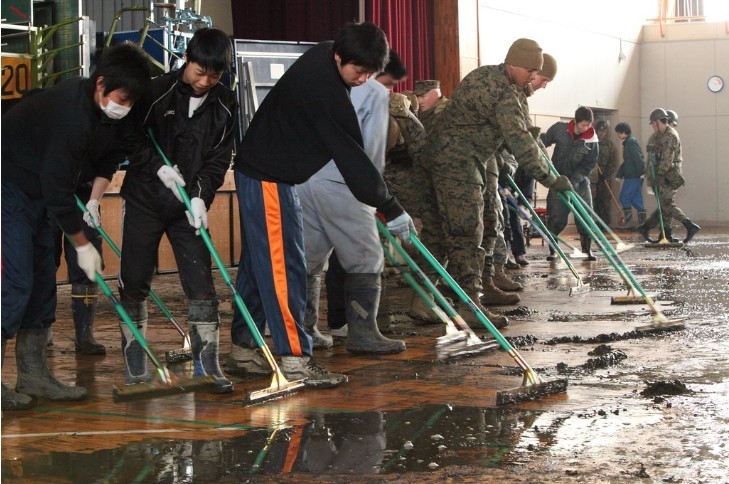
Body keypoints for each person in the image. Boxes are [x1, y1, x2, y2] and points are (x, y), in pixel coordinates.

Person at [229, 22, 415, 389]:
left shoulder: (327, 53)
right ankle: (296, 360)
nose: (363, 80)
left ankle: (243, 349)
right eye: (358, 72)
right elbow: (351, 156)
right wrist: (389, 206)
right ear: (339, 57)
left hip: (267, 173)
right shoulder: (325, 89)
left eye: (370, 73)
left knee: (257, 266)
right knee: (287, 267)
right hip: (268, 177)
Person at [1, 43, 151, 411]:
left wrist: (94, 203)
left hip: (37, 193)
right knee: (14, 282)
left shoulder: (109, 114)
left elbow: (111, 156)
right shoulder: (72, 115)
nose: (125, 106)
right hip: (8, 186)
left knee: (40, 283)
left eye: (133, 100)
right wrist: (83, 244)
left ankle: (34, 375)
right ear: (100, 84)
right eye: (122, 97)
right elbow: (58, 189)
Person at [416, 38, 573, 328]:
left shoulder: (486, 75)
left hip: (440, 158)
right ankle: (470, 306)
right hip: (458, 165)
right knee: (467, 235)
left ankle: (422, 299)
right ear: (513, 64)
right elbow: (521, 142)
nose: (532, 77)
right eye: (530, 71)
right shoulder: (503, 93)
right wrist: (550, 179)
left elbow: (523, 134)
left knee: (438, 232)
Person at [118, 28, 238, 393]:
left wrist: (201, 196)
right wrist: (156, 165)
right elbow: (129, 136)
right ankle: (135, 356)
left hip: (188, 207)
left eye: (214, 75)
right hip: (145, 199)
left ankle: (208, 362)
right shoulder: (155, 92)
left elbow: (218, 158)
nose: (205, 81)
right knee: (135, 278)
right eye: (200, 71)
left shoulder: (226, 104)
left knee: (201, 284)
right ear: (187, 58)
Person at [297, 50, 407, 355]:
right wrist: (376, 198)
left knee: (310, 256)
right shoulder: (374, 93)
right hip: (344, 183)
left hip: (304, 180)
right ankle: (363, 335)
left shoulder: (317, 82)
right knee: (366, 256)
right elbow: (370, 152)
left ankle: (304, 330)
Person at [507, 53, 558, 267]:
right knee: (504, 212)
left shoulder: (521, 97)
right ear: (533, 72)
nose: (544, 86)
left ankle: (516, 253)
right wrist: (549, 178)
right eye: (543, 79)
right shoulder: (510, 94)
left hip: (514, 167)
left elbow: (531, 137)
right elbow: (521, 140)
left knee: (512, 211)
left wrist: (547, 161)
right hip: (501, 166)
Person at [541, 106, 599, 261]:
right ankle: (552, 250)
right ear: (575, 121)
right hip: (558, 180)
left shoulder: (591, 140)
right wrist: (539, 144)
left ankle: (587, 250)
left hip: (579, 182)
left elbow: (589, 165)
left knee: (585, 217)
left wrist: (575, 180)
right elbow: (545, 140)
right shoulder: (560, 129)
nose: (585, 128)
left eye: (588, 125)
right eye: (582, 125)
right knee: (557, 217)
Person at [636, 108, 700, 244]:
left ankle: (688, 225)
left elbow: (667, 159)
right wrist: (649, 173)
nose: (652, 126)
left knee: (666, 204)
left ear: (661, 121)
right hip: (659, 176)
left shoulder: (670, 135)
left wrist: (659, 176)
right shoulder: (657, 136)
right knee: (663, 205)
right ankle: (665, 234)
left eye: (654, 123)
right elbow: (652, 157)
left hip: (670, 176)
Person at [614, 122, 646, 229]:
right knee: (636, 199)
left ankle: (627, 222)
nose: (618, 136)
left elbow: (638, 157)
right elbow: (628, 161)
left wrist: (642, 171)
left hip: (633, 176)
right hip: (636, 175)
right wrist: (620, 174)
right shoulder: (629, 142)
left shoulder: (631, 142)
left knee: (624, 197)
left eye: (618, 133)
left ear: (623, 132)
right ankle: (643, 225)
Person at [590, 120, 618, 225]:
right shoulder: (592, 143)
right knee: (594, 201)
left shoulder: (610, 145)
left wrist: (606, 174)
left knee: (605, 201)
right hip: (593, 177)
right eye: (600, 131)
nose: (602, 133)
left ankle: (605, 224)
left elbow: (613, 162)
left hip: (605, 177)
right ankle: (594, 223)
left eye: (604, 131)